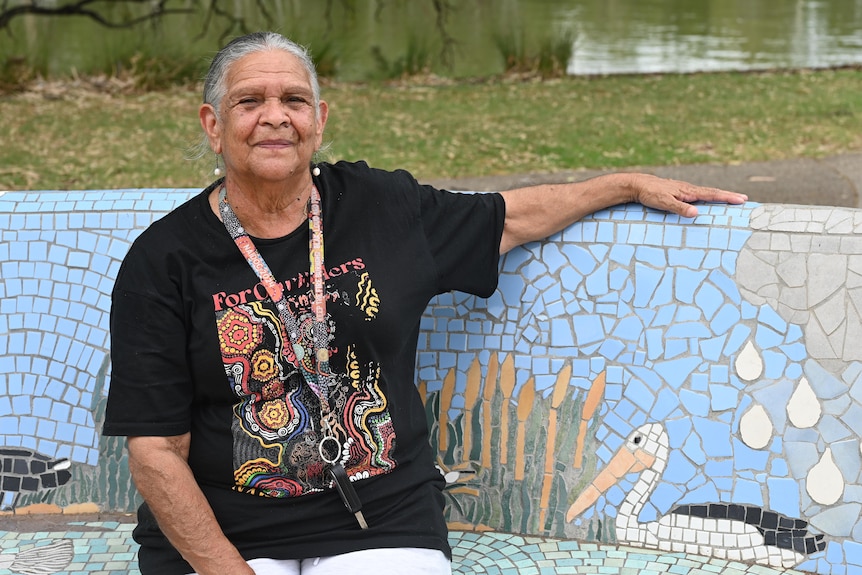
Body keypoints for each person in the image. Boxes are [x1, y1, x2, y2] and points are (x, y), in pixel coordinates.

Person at [102, 31, 747, 575]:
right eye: (250, 101)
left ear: (319, 122)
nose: (276, 116)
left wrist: (625, 184)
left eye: (294, 100)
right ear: (214, 125)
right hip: (226, 528)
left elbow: (509, 219)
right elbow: (156, 453)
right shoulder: (164, 262)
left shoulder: (381, 207)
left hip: (380, 516)